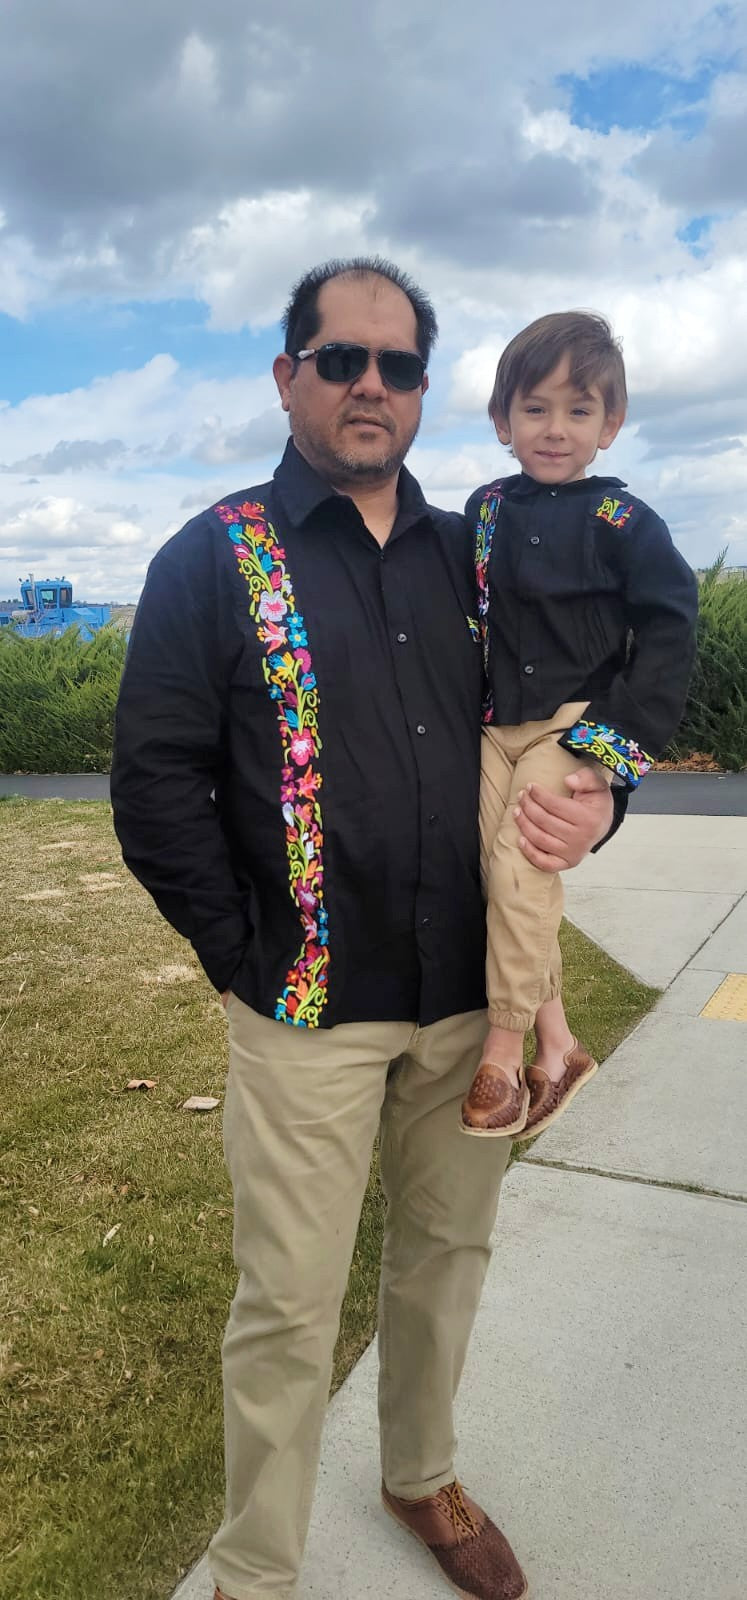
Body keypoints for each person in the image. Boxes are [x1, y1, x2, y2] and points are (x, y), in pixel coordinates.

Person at [110, 261, 623, 1600]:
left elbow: (572, 710)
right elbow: (154, 780)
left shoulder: (480, 558)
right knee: (285, 1305)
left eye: (396, 367)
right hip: (305, 1012)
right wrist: (245, 955)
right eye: (340, 360)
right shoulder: (213, 557)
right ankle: (256, 1572)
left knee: (444, 1262)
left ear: (422, 393)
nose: (369, 387)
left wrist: (603, 788)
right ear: (286, 377)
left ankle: (417, 1475)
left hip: (470, 1010)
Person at [460, 311, 697, 1141]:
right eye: (534, 409)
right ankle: (559, 1047)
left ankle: (501, 1047)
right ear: (501, 420)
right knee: (489, 875)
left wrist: (612, 754)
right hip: (493, 727)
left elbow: (670, 632)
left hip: (573, 725)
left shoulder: (624, 524)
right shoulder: (483, 511)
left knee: (522, 867)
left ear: (610, 425)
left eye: (578, 410)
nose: (554, 428)